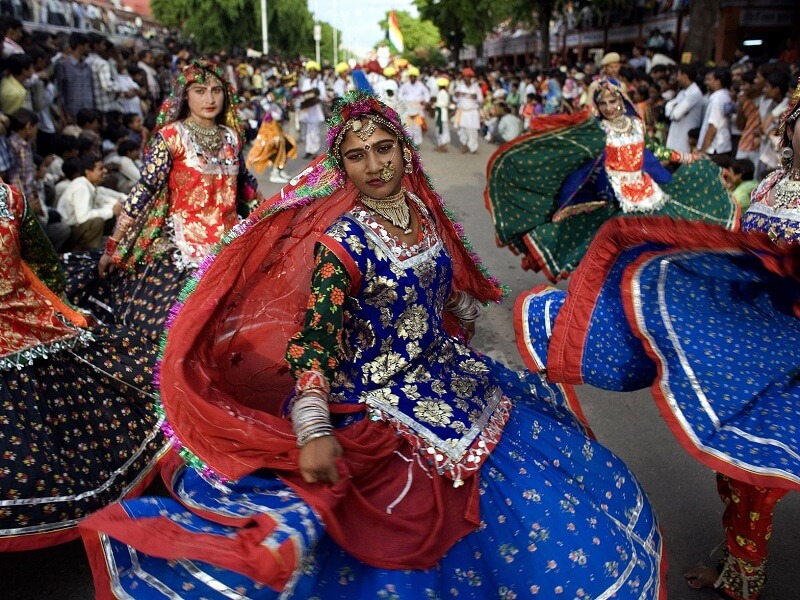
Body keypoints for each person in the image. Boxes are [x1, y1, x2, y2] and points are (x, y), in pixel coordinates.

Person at [79, 91, 665, 599]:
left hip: (453, 379)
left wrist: (478, 321)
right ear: (342, 167)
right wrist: (314, 430)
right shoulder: (341, 245)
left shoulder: (422, 213)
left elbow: (439, 299)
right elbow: (314, 343)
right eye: (356, 156)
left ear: (404, 151)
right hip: (385, 402)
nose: (375, 164)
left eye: (384, 149)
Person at [514, 78, 800, 600]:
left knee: (758, 471)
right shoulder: (767, 187)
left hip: (791, 355)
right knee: (732, 460)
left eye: (611, 99)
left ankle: (745, 576)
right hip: (747, 342)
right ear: (790, 130)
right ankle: (740, 554)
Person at [0, 179, 168, 551]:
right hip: (26, 324)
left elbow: (43, 265)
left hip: (25, 324)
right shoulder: (9, 197)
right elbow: (45, 267)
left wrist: (57, 309)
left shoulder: (10, 199)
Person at [63, 59, 262, 341]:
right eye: (200, 90)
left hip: (230, 245)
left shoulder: (231, 136)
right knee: (174, 333)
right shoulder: (172, 137)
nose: (210, 98)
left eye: (217, 90)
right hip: (184, 248)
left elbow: (244, 183)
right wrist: (113, 244)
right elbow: (144, 190)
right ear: (185, 96)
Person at [485, 77, 739, 282]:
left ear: (621, 99)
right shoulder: (598, 129)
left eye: (612, 100)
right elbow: (575, 152)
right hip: (612, 195)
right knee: (607, 250)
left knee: (657, 242)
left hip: (646, 193)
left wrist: (684, 158)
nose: (608, 107)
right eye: (603, 102)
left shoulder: (637, 124)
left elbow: (653, 150)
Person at [245, 94, 297, 184]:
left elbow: (280, 116)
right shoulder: (268, 108)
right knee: (277, 152)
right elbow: (277, 116)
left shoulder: (274, 106)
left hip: (278, 133)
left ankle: (280, 170)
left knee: (287, 147)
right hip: (270, 137)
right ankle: (275, 174)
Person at [665, 63, 704, 155]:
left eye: (678, 75)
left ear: (685, 75)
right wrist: (673, 109)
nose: (677, 79)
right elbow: (668, 109)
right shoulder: (682, 93)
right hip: (675, 138)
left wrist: (674, 109)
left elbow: (676, 115)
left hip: (684, 141)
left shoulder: (695, 93)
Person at [697, 68, 733, 163]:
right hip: (721, 147)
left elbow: (712, 128)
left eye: (709, 79)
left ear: (718, 82)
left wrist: (702, 152)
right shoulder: (725, 95)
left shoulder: (717, 99)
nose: (706, 82)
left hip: (715, 149)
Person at [397, 66, 430, 146]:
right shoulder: (405, 85)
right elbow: (400, 93)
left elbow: (426, 93)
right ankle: (409, 144)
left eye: (414, 77)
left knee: (417, 127)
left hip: (417, 108)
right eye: (411, 76)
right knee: (408, 127)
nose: (412, 78)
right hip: (408, 107)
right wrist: (403, 102)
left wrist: (425, 101)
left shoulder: (420, 85)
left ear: (416, 77)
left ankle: (417, 144)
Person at [454, 67, 483, 154]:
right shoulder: (459, 86)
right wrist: (457, 95)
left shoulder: (476, 87)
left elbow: (481, 99)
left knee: (473, 130)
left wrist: (475, 97)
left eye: (468, 76)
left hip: (472, 112)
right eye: (464, 76)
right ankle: (464, 145)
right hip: (462, 112)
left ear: (471, 77)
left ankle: (473, 148)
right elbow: (454, 99)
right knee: (462, 130)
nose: (466, 78)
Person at [433, 76, 450, 152]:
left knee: (443, 130)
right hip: (439, 113)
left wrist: (436, 104)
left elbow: (445, 103)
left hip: (442, 114)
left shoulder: (444, 93)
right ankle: (440, 145)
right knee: (439, 130)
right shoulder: (440, 93)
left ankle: (444, 146)